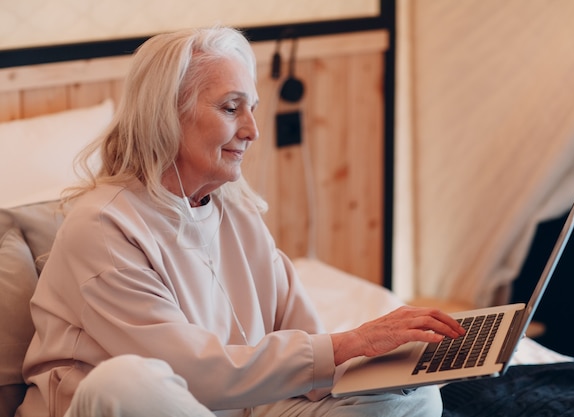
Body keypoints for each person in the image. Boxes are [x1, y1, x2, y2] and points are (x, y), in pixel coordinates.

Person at [16, 26, 465, 417]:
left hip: (237, 408)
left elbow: (311, 353)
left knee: (414, 402)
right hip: (126, 408)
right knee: (124, 382)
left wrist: (395, 358)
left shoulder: (237, 210)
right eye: (231, 109)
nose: (252, 130)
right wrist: (351, 342)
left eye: (251, 107)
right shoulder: (103, 225)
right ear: (166, 117)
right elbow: (190, 374)